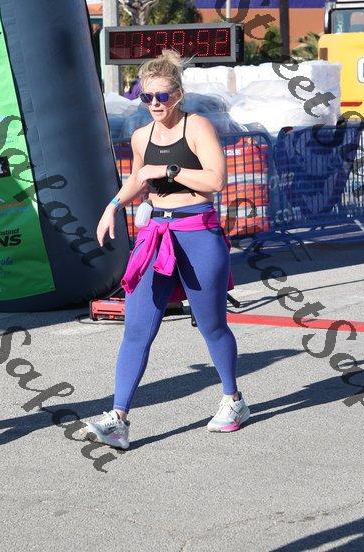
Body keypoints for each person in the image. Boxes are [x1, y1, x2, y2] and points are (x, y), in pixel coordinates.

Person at [83, 49, 250, 450]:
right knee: (137, 329)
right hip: (155, 235)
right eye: (147, 97)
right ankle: (118, 419)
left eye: (162, 96)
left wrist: (169, 170)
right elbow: (137, 179)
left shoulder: (197, 127)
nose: (155, 104)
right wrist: (112, 206)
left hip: (198, 232)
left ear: (178, 95)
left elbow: (216, 181)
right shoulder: (142, 136)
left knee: (211, 324)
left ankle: (233, 400)